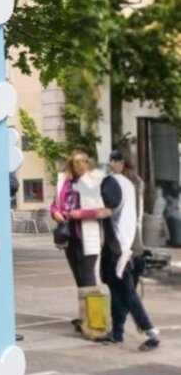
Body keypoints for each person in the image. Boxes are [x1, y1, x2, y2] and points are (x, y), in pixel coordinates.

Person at [99, 150, 160, 351]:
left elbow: (108, 210)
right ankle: (117, 333)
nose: (110, 165)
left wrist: (82, 213)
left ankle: (151, 331)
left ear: (120, 163)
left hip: (120, 249)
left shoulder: (113, 183)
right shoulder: (136, 183)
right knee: (119, 293)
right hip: (135, 247)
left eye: (112, 161)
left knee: (126, 293)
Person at [50, 150, 114, 336]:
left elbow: (105, 210)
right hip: (69, 236)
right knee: (80, 280)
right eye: (76, 163)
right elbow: (55, 204)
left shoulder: (95, 180)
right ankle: (86, 318)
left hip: (88, 235)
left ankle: (97, 324)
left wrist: (80, 214)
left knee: (88, 279)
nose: (80, 167)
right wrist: (55, 212)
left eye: (83, 163)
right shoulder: (63, 180)